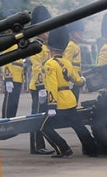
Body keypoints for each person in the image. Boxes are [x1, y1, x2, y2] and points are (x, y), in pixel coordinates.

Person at [40, 26, 97, 158]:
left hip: (59, 102)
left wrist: (51, 105)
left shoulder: (50, 64)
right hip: (70, 100)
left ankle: (63, 148)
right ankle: (92, 149)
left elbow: (52, 86)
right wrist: (82, 81)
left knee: (44, 127)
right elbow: (76, 80)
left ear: (50, 49)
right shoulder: (67, 62)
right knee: (78, 126)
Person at [26, 6, 53, 155]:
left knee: (41, 116)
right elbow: (37, 69)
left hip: (44, 86)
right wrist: (41, 86)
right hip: (38, 86)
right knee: (36, 117)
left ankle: (39, 144)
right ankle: (36, 146)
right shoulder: (36, 46)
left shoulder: (44, 46)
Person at [0, 10, 24, 119]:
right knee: (9, 102)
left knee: (14, 103)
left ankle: (11, 121)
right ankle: (5, 121)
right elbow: (7, 61)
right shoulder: (8, 40)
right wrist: (8, 79)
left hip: (18, 77)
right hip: (12, 77)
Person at [64, 19, 85, 103]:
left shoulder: (76, 44)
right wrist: (69, 79)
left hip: (76, 77)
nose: (81, 34)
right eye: (79, 32)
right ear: (73, 33)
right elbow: (67, 62)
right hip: (72, 78)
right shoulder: (71, 45)